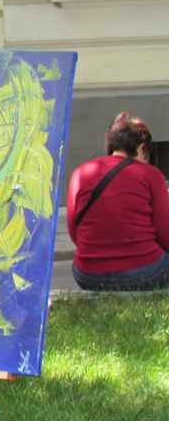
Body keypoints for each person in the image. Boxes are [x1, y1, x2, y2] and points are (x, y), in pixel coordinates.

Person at [67, 112, 169, 291]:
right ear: (141, 148)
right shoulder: (152, 175)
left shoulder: (80, 173)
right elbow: (165, 236)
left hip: (87, 275)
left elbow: (74, 231)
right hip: (144, 273)